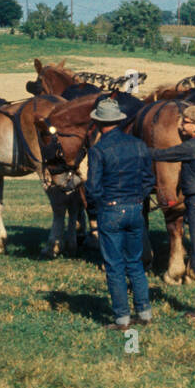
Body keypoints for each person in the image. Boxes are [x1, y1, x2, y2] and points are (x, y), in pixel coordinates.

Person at [84, 97, 155, 330]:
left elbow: (93, 188)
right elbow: (149, 179)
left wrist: (103, 205)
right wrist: (137, 198)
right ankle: (144, 313)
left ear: (98, 123)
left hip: (111, 209)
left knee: (114, 266)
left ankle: (122, 319)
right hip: (135, 207)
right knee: (135, 262)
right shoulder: (139, 145)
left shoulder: (98, 150)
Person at [149, 105, 195, 320]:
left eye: (185, 122)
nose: (181, 126)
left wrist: (136, 149)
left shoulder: (193, 146)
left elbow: (163, 154)